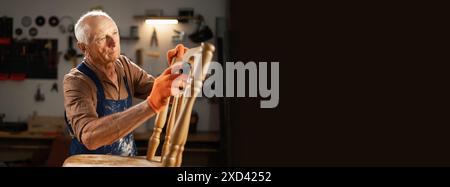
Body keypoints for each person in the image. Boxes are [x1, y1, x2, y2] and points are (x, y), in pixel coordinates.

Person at [63, 10, 188, 156]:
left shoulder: (124, 66)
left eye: (115, 32)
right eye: (101, 38)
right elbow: (90, 137)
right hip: (91, 164)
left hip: (126, 161)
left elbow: (170, 95)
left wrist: (180, 70)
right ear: (83, 47)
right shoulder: (77, 81)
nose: (113, 42)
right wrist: (150, 105)